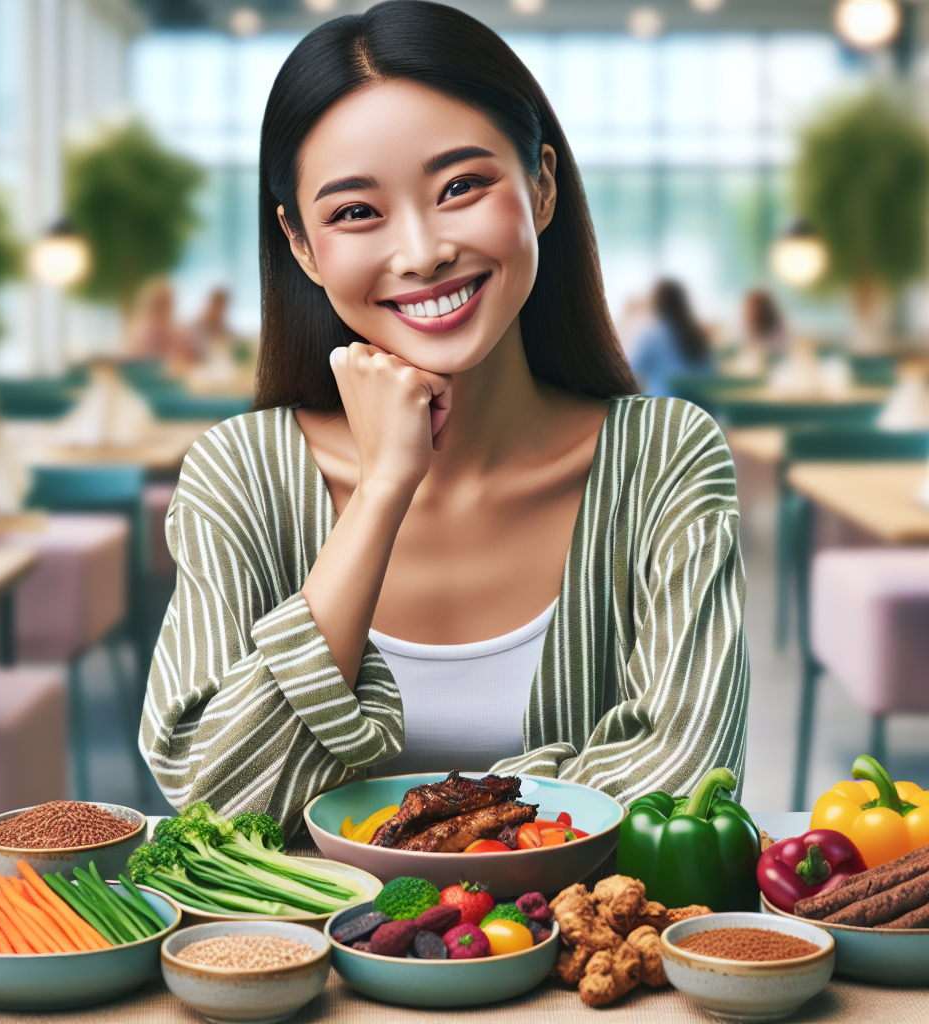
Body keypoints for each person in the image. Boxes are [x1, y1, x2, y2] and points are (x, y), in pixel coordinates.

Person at [140, 0, 749, 832]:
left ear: (541, 185)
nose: (422, 251)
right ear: (303, 246)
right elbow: (217, 797)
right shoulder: (238, 473)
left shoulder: (667, 458)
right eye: (356, 211)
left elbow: (684, 772)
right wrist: (384, 489)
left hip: (573, 961)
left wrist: (417, 826)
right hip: (309, 964)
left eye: (461, 186)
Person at [631, 280, 715, 398]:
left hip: (664, 409)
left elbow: (630, 373)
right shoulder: (699, 334)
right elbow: (712, 374)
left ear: (657, 304)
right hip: (699, 410)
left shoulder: (652, 335)